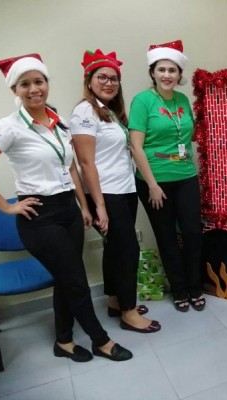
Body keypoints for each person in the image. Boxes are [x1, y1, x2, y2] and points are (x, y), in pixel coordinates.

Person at [0, 53, 132, 362]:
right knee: (76, 280)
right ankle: (101, 340)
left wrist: (83, 205)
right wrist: (7, 207)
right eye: (24, 84)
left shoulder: (58, 121)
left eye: (39, 81)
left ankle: (64, 341)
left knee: (64, 279)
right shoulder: (9, 127)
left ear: (46, 84)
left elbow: (69, 166)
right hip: (39, 217)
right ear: (15, 89)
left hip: (68, 208)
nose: (34, 89)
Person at [70, 49, 160, 333]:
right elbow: (85, 162)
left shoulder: (108, 111)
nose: (109, 83)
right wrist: (98, 206)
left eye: (114, 79)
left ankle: (115, 300)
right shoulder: (84, 111)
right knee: (127, 251)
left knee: (115, 250)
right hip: (105, 194)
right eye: (102, 77)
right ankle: (129, 313)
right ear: (89, 80)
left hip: (123, 190)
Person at [128, 40, 205, 312]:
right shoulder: (142, 101)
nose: (167, 75)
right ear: (152, 72)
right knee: (166, 237)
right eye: (161, 70)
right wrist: (152, 185)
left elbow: (188, 135)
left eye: (172, 70)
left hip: (185, 174)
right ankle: (180, 289)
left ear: (179, 74)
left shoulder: (183, 100)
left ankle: (196, 286)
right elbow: (136, 145)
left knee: (193, 233)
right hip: (155, 180)